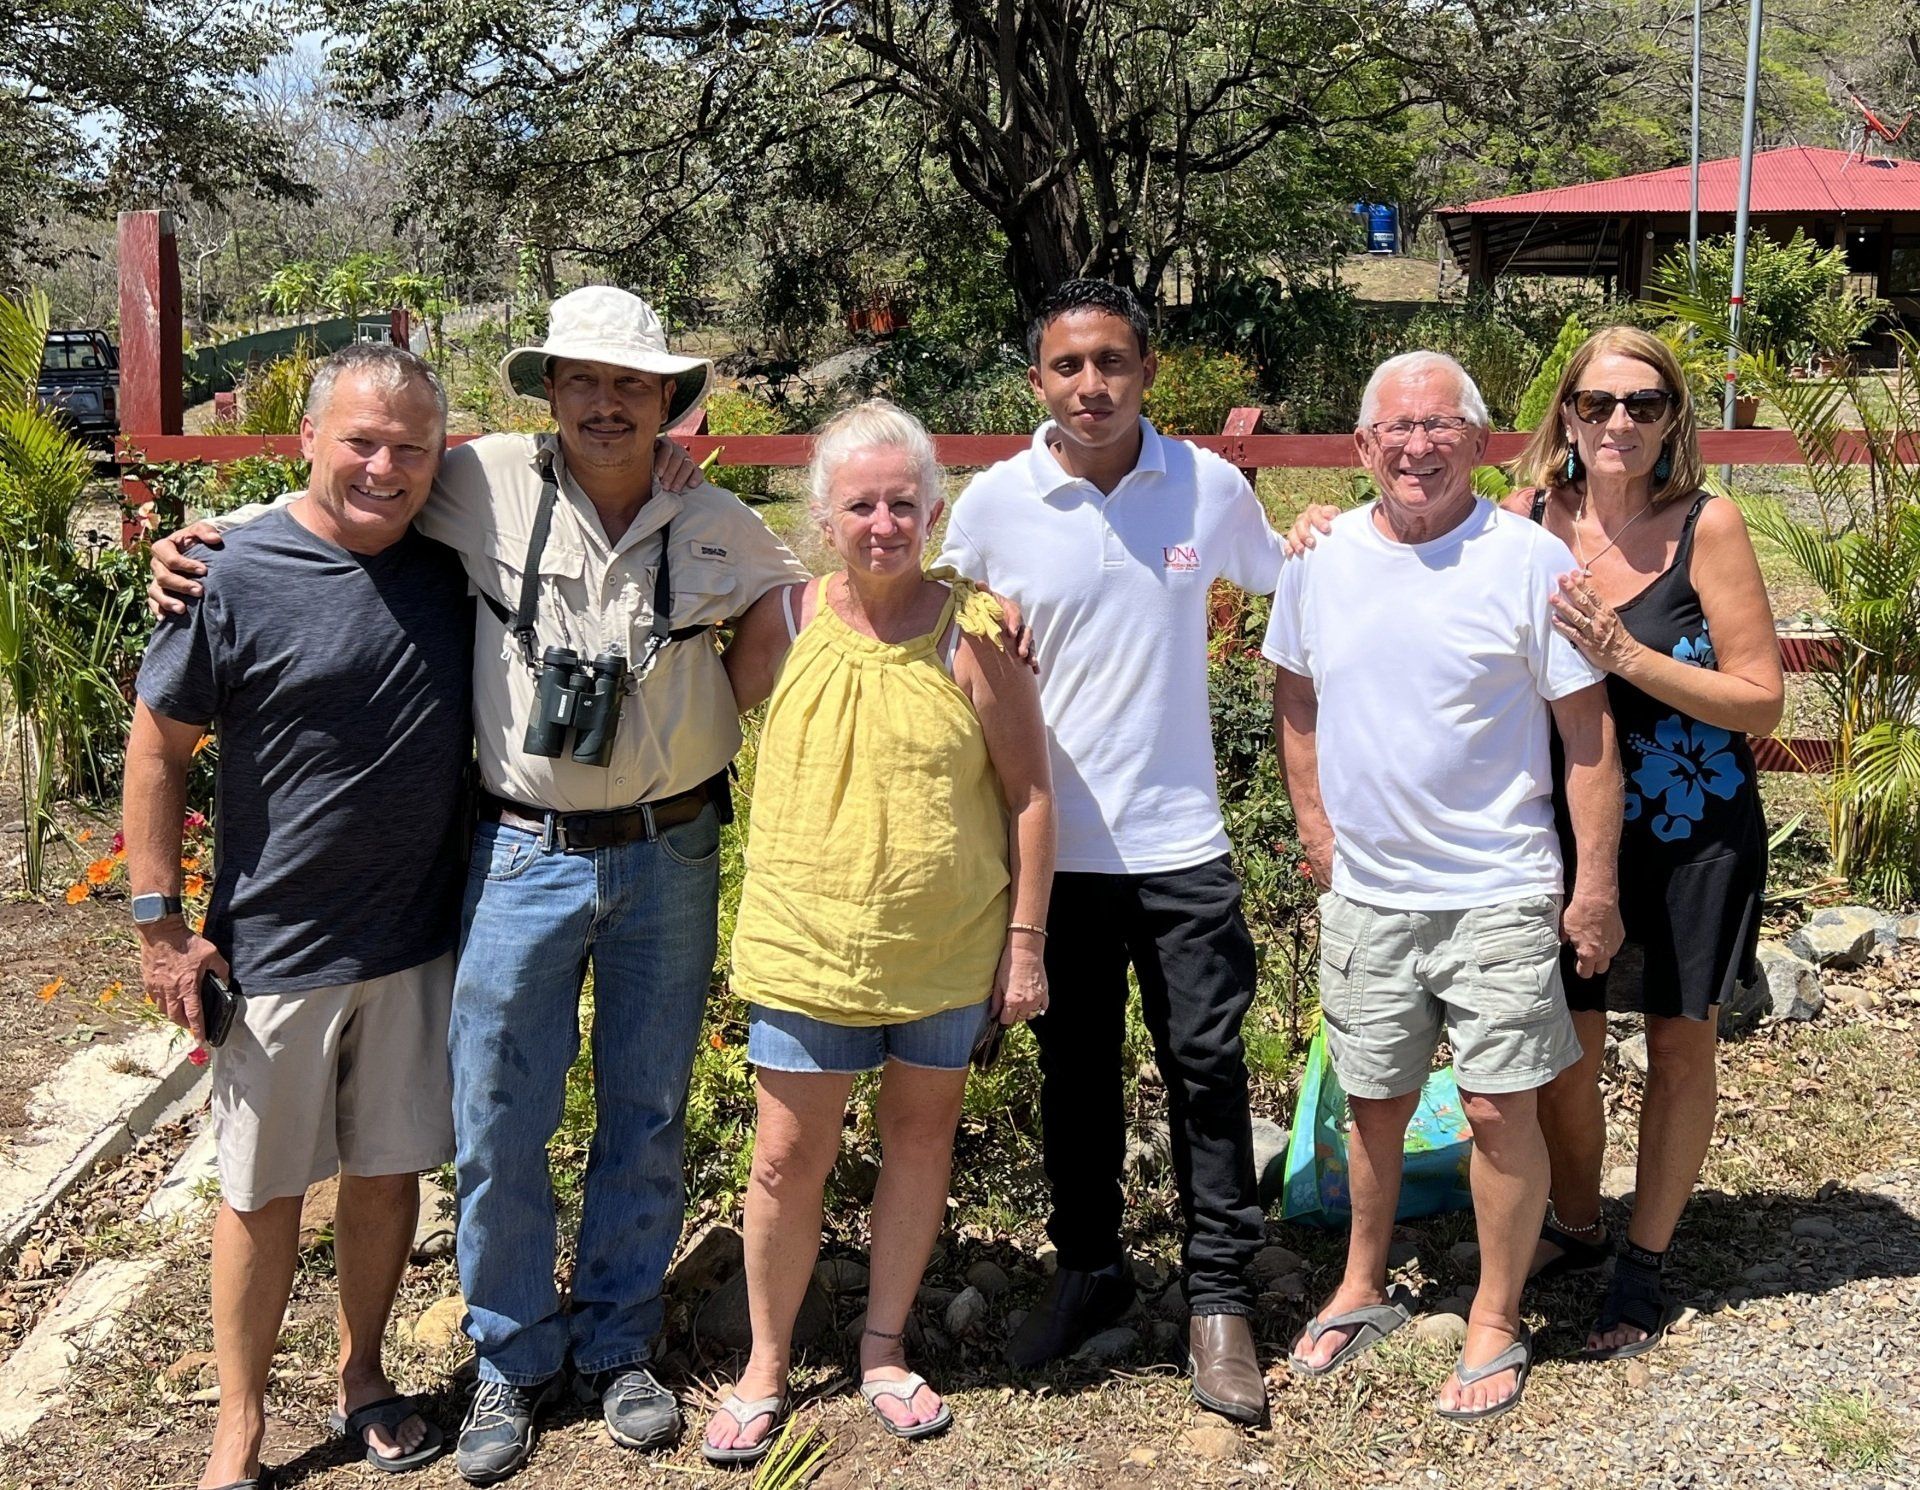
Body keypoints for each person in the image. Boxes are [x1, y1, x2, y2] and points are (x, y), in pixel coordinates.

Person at [146, 286, 808, 1483]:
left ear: (669, 399)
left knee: (647, 1104)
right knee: (500, 1117)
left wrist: (722, 703)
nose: (607, 404)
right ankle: (510, 1351)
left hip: (669, 849)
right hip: (520, 851)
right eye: (583, 380)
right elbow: (348, 488)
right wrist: (202, 536)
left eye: (633, 385)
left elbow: (796, 599)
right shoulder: (478, 479)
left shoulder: (714, 516)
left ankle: (618, 1341)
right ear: (548, 391)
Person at [935, 279, 1288, 1426]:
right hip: (1054, 855)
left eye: (1113, 362)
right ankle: (1088, 1267)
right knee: (1074, 1073)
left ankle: (1220, 1297)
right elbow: (938, 626)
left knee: (1207, 1069)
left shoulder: (1207, 485)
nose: (1092, 385)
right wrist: (969, 615)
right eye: (1068, 364)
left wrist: (1336, 530)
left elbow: (1286, 576)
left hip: (1182, 841)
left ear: (1147, 369)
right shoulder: (996, 503)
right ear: (1037, 378)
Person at [127, 344, 469, 1490]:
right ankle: (240, 1420)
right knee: (260, 1189)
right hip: (275, 947)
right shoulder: (225, 571)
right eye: (361, 440)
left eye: (411, 447)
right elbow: (157, 746)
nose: (385, 466)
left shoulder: (451, 565)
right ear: (308, 439)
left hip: (416, 940)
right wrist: (160, 926)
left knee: (386, 1172)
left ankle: (364, 1373)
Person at [1266, 351, 1624, 1422]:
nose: (1417, 446)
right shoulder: (1321, 558)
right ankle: (1361, 1284)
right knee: (1372, 1100)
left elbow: (1586, 732)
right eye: (1396, 427)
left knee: (1497, 1105)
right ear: (1361, 446)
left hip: (1499, 884)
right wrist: (1316, 828)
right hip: (1370, 890)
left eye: (1440, 426)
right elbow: (1295, 696)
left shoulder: (1528, 559)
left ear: (1477, 441)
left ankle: (1495, 1315)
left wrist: (1594, 886)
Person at [697, 401, 1054, 1464]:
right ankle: (765, 1364)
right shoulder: (783, 620)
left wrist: (1025, 943)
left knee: (919, 1140)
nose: (884, 523)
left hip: (943, 946)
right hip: (805, 943)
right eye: (861, 504)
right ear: (823, 516)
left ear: (936, 512)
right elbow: (696, 730)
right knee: (783, 1158)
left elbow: (1030, 795)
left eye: (904, 503)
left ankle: (885, 1349)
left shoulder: (977, 631)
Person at [1506, 326, 1782, 1357]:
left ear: (1672, 419)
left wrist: (1625, 653)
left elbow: (1760, 698)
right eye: (1598, 402)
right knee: (1563, 1051)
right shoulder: (1524, 517)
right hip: (1566, 828)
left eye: (1644, 403)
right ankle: (1578, 1221)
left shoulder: (1708, 524)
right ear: (1567, 413)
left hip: (1693, 827)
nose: (1618, 420)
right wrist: (1316, 529)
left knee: (1678, 1040)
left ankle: (1645, 1261)